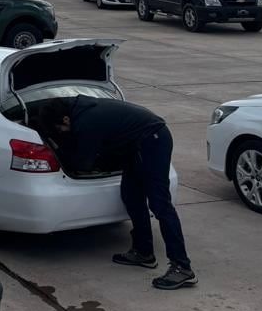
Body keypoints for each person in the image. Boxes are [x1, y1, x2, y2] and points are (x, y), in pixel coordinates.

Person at [36, 96, 196, 291]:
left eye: (59, 129)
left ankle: (182, 267)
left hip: (153, 140)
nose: (60, 133)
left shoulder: (86, 122)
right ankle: (143, 252)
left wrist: (62, 150)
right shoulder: (78, 109)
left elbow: (83, 163)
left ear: (66, 120)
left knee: (160, 204)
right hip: (138, 144)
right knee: (131, 195)